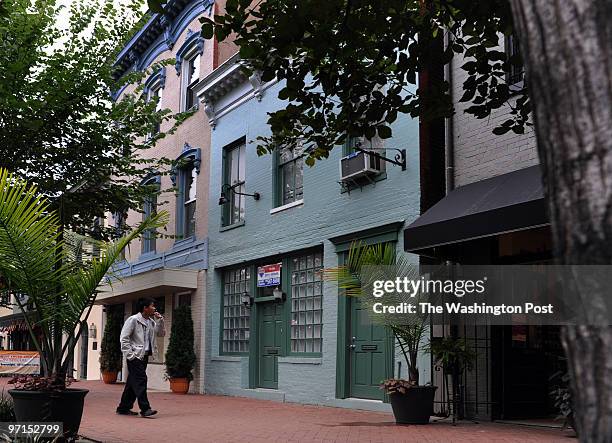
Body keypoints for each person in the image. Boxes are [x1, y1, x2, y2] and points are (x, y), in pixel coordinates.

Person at [116, 297, 165, 417]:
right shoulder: (133, 320)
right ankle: (145, 408)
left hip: (145, 356)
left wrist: (160, 321)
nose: (154, 308)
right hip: (135, 357)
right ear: (145, 308)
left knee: (133, 382)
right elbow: (124, 338)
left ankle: (123, 408)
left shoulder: (151, 322)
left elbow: (161, 334)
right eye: (152, 306)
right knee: (141, 379)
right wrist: (130, 355)